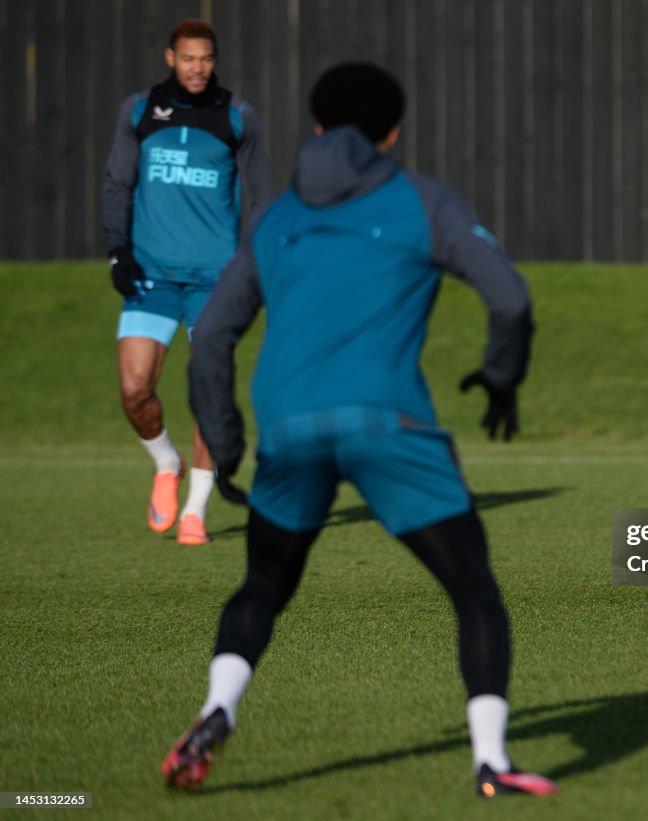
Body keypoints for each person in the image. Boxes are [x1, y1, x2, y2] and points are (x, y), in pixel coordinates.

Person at [161, 63, 557, 798]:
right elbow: (510, 297)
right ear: (393, 131)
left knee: (263, 585)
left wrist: (227, 438)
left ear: (315, 127)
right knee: (472, 585)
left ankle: (217, 708)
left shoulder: (275, 217)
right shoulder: (422, 199)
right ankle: (491, 760)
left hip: (291, 430)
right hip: (390, 426)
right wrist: (501, 377)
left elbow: (212, 334)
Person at [103, 18, 273, 546]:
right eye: (189, 57)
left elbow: (262, 200)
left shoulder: (239, 117)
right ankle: (165, 463)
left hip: (215, 283)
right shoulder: (138, 111)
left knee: (209, 394)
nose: (198, 67)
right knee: (135, 389)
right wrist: (118, 252)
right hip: (151, 274)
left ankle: (195, 511)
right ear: (170, 57)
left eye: (207, 58)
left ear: (214, 59)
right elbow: (118, 183)